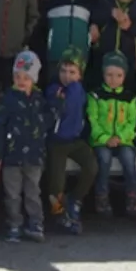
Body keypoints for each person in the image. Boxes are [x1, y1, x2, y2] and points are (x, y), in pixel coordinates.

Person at [0, 50, 51, 242]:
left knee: (33, 191)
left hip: (34, 156)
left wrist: (57, 106)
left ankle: (35, 223)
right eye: (17, 76)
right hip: (11, 156)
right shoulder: (7, 99)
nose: (21, 80)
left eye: (26, 77)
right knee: (12, 193)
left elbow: (47, 124)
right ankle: (14, 224)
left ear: (34, 79)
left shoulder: (40, 100)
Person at [45, 48, 96, 235]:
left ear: (80, 74)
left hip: (75, 140)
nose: (67, 76)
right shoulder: (54, 90)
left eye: (72, 72)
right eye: (63, 71)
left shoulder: (81, 91)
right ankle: (59, 213)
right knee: (56, 183)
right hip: (57, 142)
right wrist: (74, 86)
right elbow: (68, 103)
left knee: (91, 167)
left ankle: (75, 199)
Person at [88, 51, 136, 218]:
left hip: (123, 139)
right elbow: (92, 120)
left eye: (118, 75)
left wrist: (120, 137)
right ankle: (101, 196)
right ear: (103, 74)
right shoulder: (95, 96)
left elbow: (132, 122)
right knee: (103, 159)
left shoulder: (130, 98)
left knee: (128, 158)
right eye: (109, 75)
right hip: (101, 140)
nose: (113, 79)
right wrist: (105, 138)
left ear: (124, 76)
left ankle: (132, 195)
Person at [43, 0, 94, 77]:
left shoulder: (88, 4)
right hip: (56, 57)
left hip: (80, 60)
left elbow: (96, 20)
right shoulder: (53, 3)